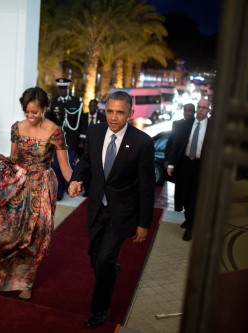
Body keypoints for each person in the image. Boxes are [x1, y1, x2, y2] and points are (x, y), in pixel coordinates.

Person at [0, 86, 73, 301]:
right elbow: (13, 158)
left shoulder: (55, 131)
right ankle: (0, 275)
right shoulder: (16, 128)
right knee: (8, 232)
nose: (30, 117)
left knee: (36, 235)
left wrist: (76, 183)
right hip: (18, 183)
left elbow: (65, 167)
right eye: (27, 112)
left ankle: (26, 282)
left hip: (42, 186)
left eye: (35, 112)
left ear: (45, 108)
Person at [68, 91, 155, 328]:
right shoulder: (95, 132)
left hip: (123, 212)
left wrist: (144, 223)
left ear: (130, 113)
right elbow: (86, 161)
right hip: (96, 207)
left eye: (119, 112)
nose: (113, 117)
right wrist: (77, 179)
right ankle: (110, 270)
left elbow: (147, 188)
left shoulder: (142, 142)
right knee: (96, 259)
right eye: (110, 111)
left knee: (105, 259)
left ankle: (100, 308)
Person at [167, 98, 211, 241]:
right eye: (199, 106)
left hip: (201, 165)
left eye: (204, 107)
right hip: (184, 163)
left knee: (194, 196)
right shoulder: (186, 124)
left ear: (208, 110)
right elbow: (176, 144)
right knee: (183, 194)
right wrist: (171, 164)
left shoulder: (212, 127)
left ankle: (190, 227)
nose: (200, 110)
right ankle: (188, 217)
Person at [45, 78, 83, 200]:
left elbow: (80, 121)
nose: (61, 90)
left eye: (63, 88)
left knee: (68, 165)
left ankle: (63, 188)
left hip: (71, 140)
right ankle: (59, 191)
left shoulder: (76, 102)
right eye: (59, 88)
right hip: (56, 141)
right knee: (57, 167)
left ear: (67, 88)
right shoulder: (54, 102)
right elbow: (48, 120)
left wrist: (82, 139)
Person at [164, 103, 196, 227]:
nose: (187, 113)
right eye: (185, 110)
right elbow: (170, 142)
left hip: (188, 162)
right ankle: (177, 212)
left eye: (190, 111)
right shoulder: (177, 124)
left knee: (189, 191)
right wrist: (168, 159)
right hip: (178, 162)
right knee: (178, 189)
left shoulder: (196, 125)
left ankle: (188, 214)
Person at [78, 99, 107, 196]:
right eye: (90, 106)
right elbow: (80, 131)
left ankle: (95, 190)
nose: (91, 108)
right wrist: (81, 143)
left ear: (97, 107)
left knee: (95, 171)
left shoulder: (102, 118)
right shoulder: (83, 117)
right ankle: (86, 191)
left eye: (93, 106)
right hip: (85, 148)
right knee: (85, 170)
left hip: (97, 148)